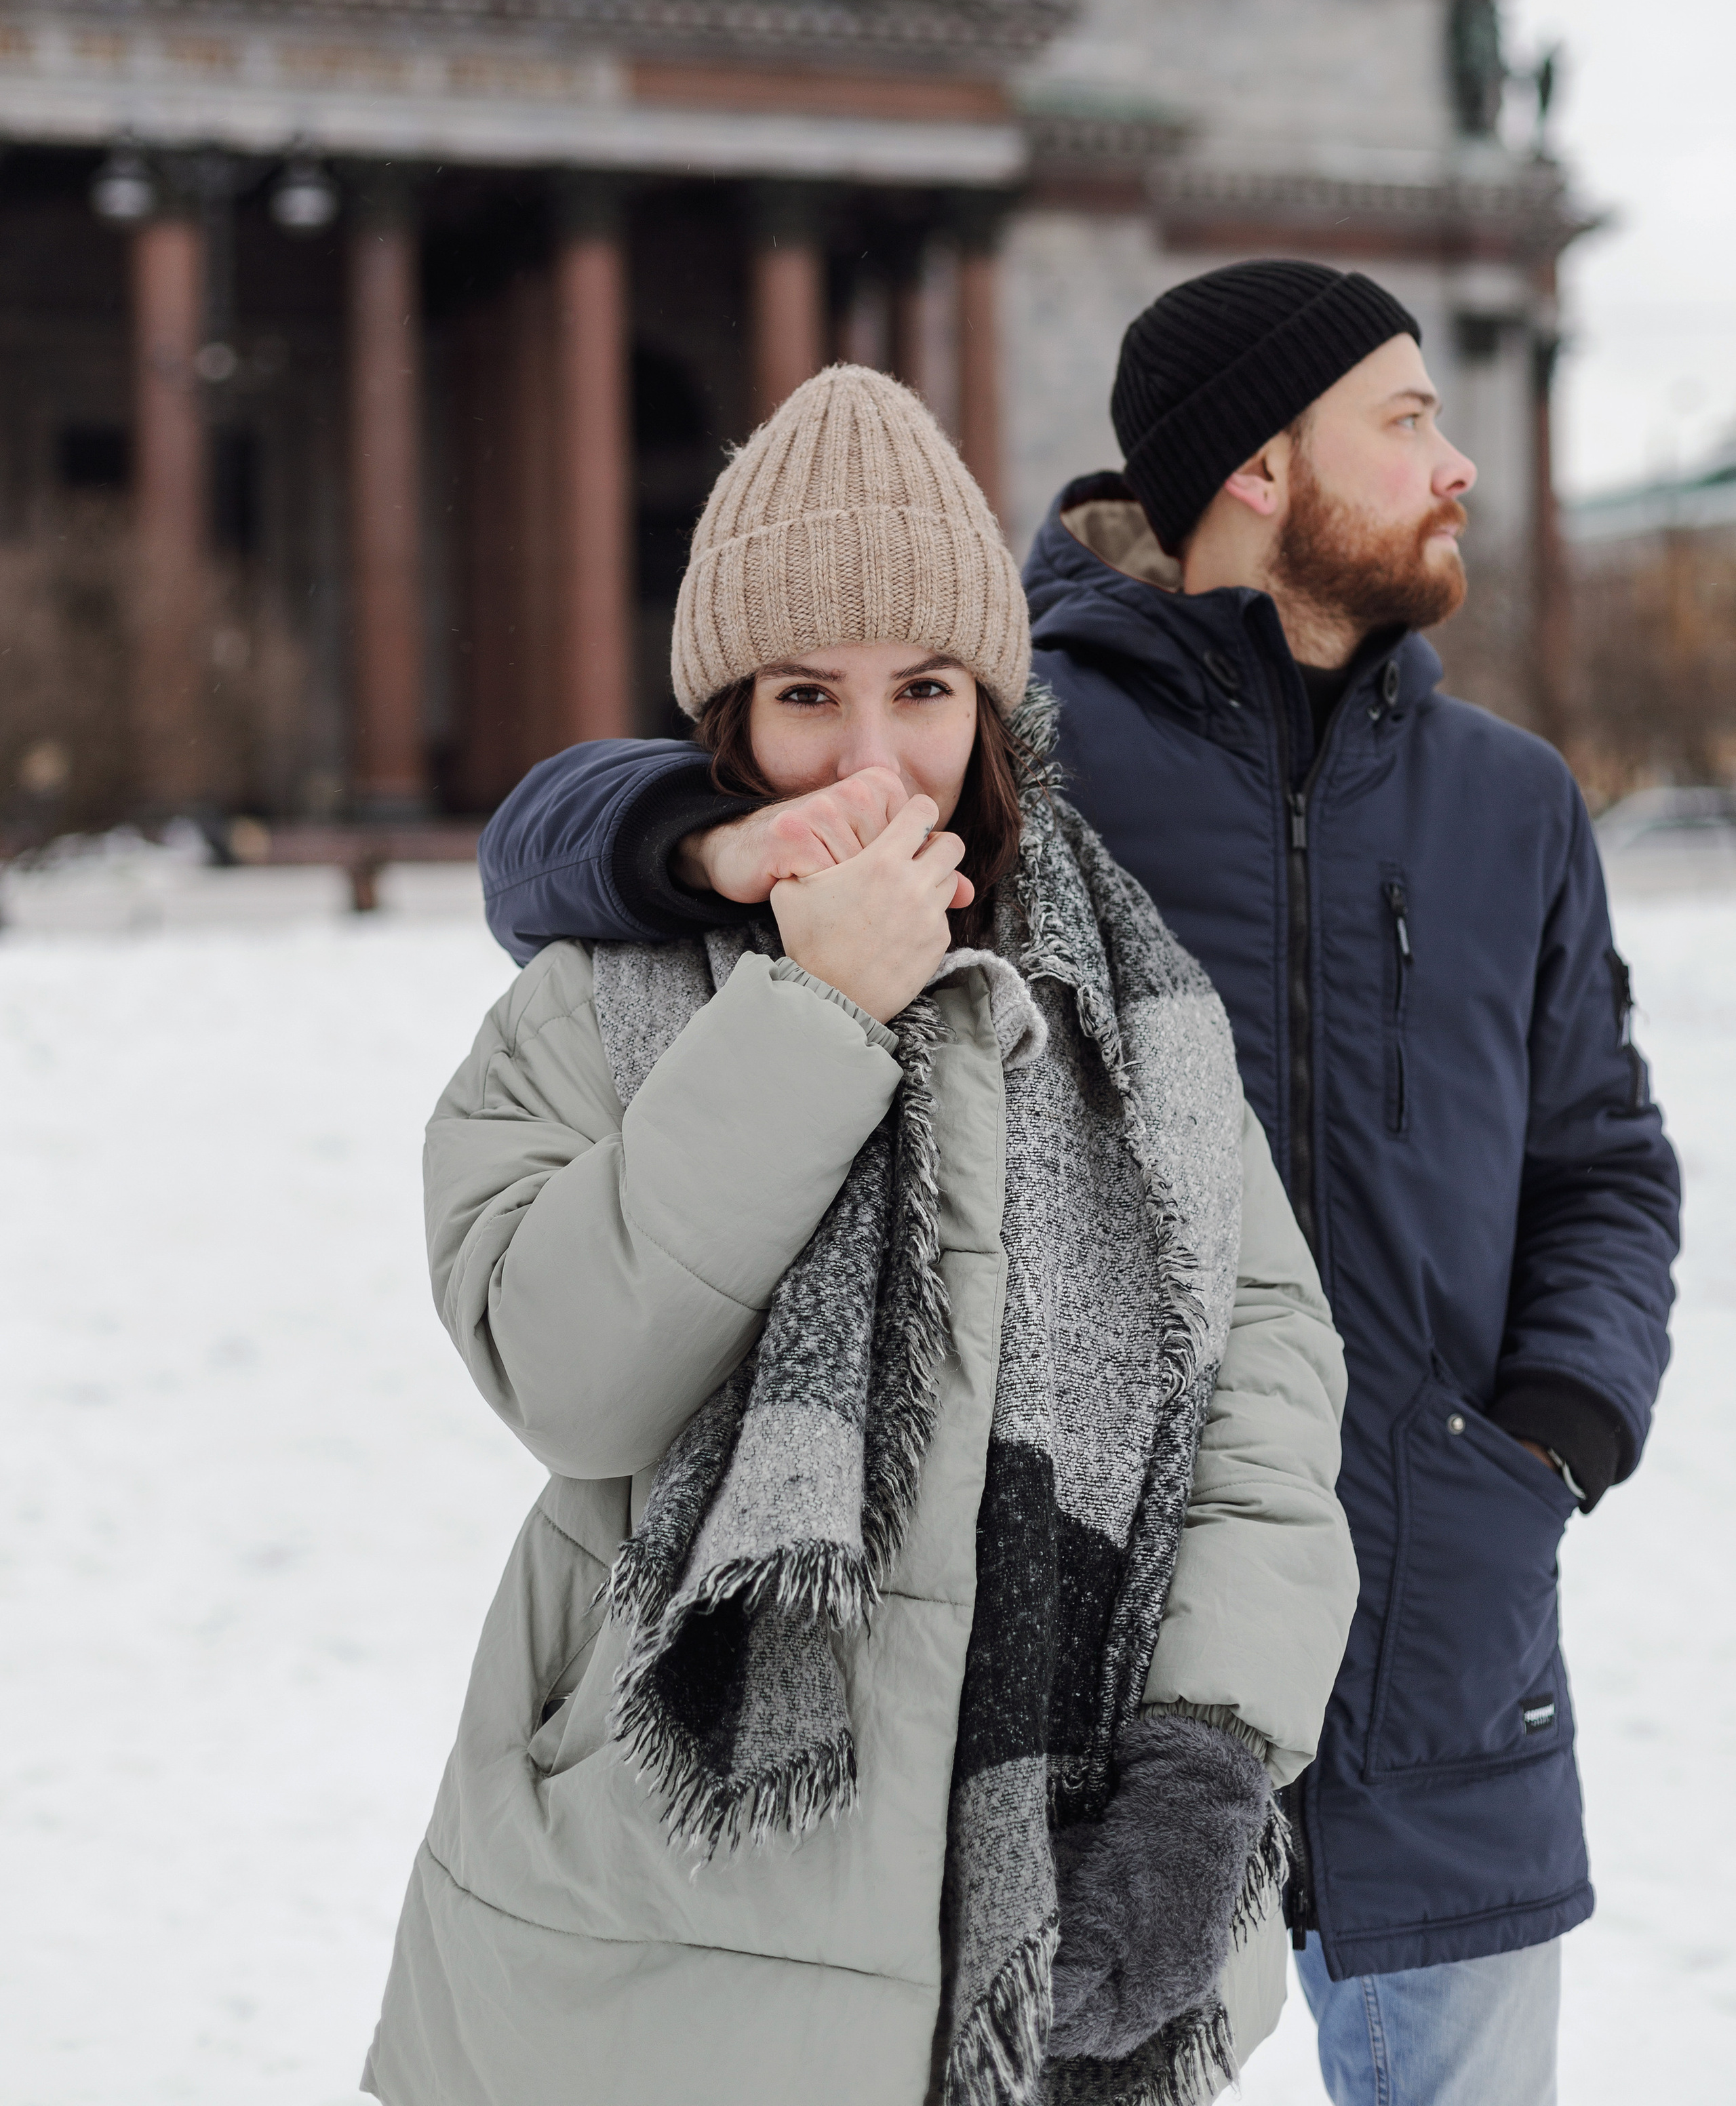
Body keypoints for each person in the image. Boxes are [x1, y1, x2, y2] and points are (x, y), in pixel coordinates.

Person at [473, 264, 1681, 2106]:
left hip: (1443, 1639)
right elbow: (564, 832)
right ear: (1264, 468)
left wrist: (1554, 1439)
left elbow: (1603, 1154)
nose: (1455, 470)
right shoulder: (1024, 754)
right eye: (1407, 420)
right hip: (1074, 1672)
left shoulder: (1509, 800)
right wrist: (710, 843)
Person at [365, 363, 1357, 2106]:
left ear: (989, 705)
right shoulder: (593, 1007)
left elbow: (1266, 1407)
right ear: (728, 720)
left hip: (1035, 1959)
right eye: (807, 696)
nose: (876, 760)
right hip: (645, 1946)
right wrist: (811, 1011)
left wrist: (1206, 1764)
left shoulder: (1140, 1016)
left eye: (923, 690)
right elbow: (571, 1378)